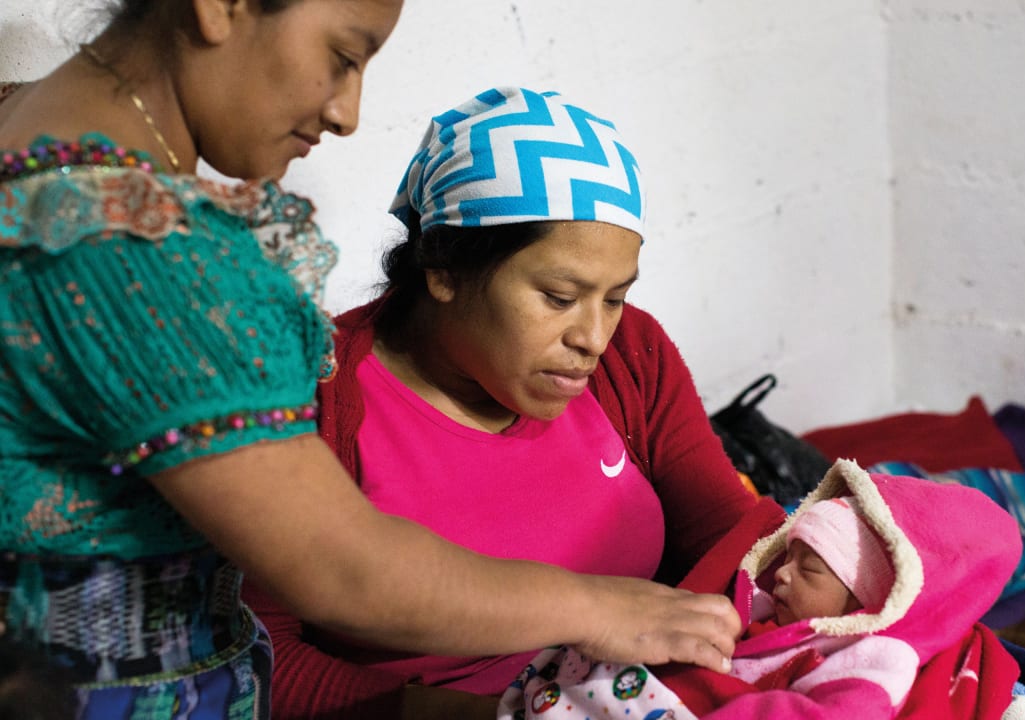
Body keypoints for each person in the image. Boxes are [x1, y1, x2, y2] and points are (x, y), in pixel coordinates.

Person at [0, 3, 743, 717]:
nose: (345, 113)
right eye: (342, 55)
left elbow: (729, 520)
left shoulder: (35, 136)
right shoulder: (127, 248)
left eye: (613, 299)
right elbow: (338, 568)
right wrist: (598, 609)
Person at [241, 85, 761, 718]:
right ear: (445, 271)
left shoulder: (633, 356)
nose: (593, 338)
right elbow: (259, 656)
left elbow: (738, 545)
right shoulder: (316, 398)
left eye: (615, 297)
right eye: (559, 297)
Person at [497, 458, 1024, 719]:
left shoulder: (873, 659)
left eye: (810, 570)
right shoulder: (772, 607)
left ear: (871, 599)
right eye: (787, 557)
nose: (783, 575)